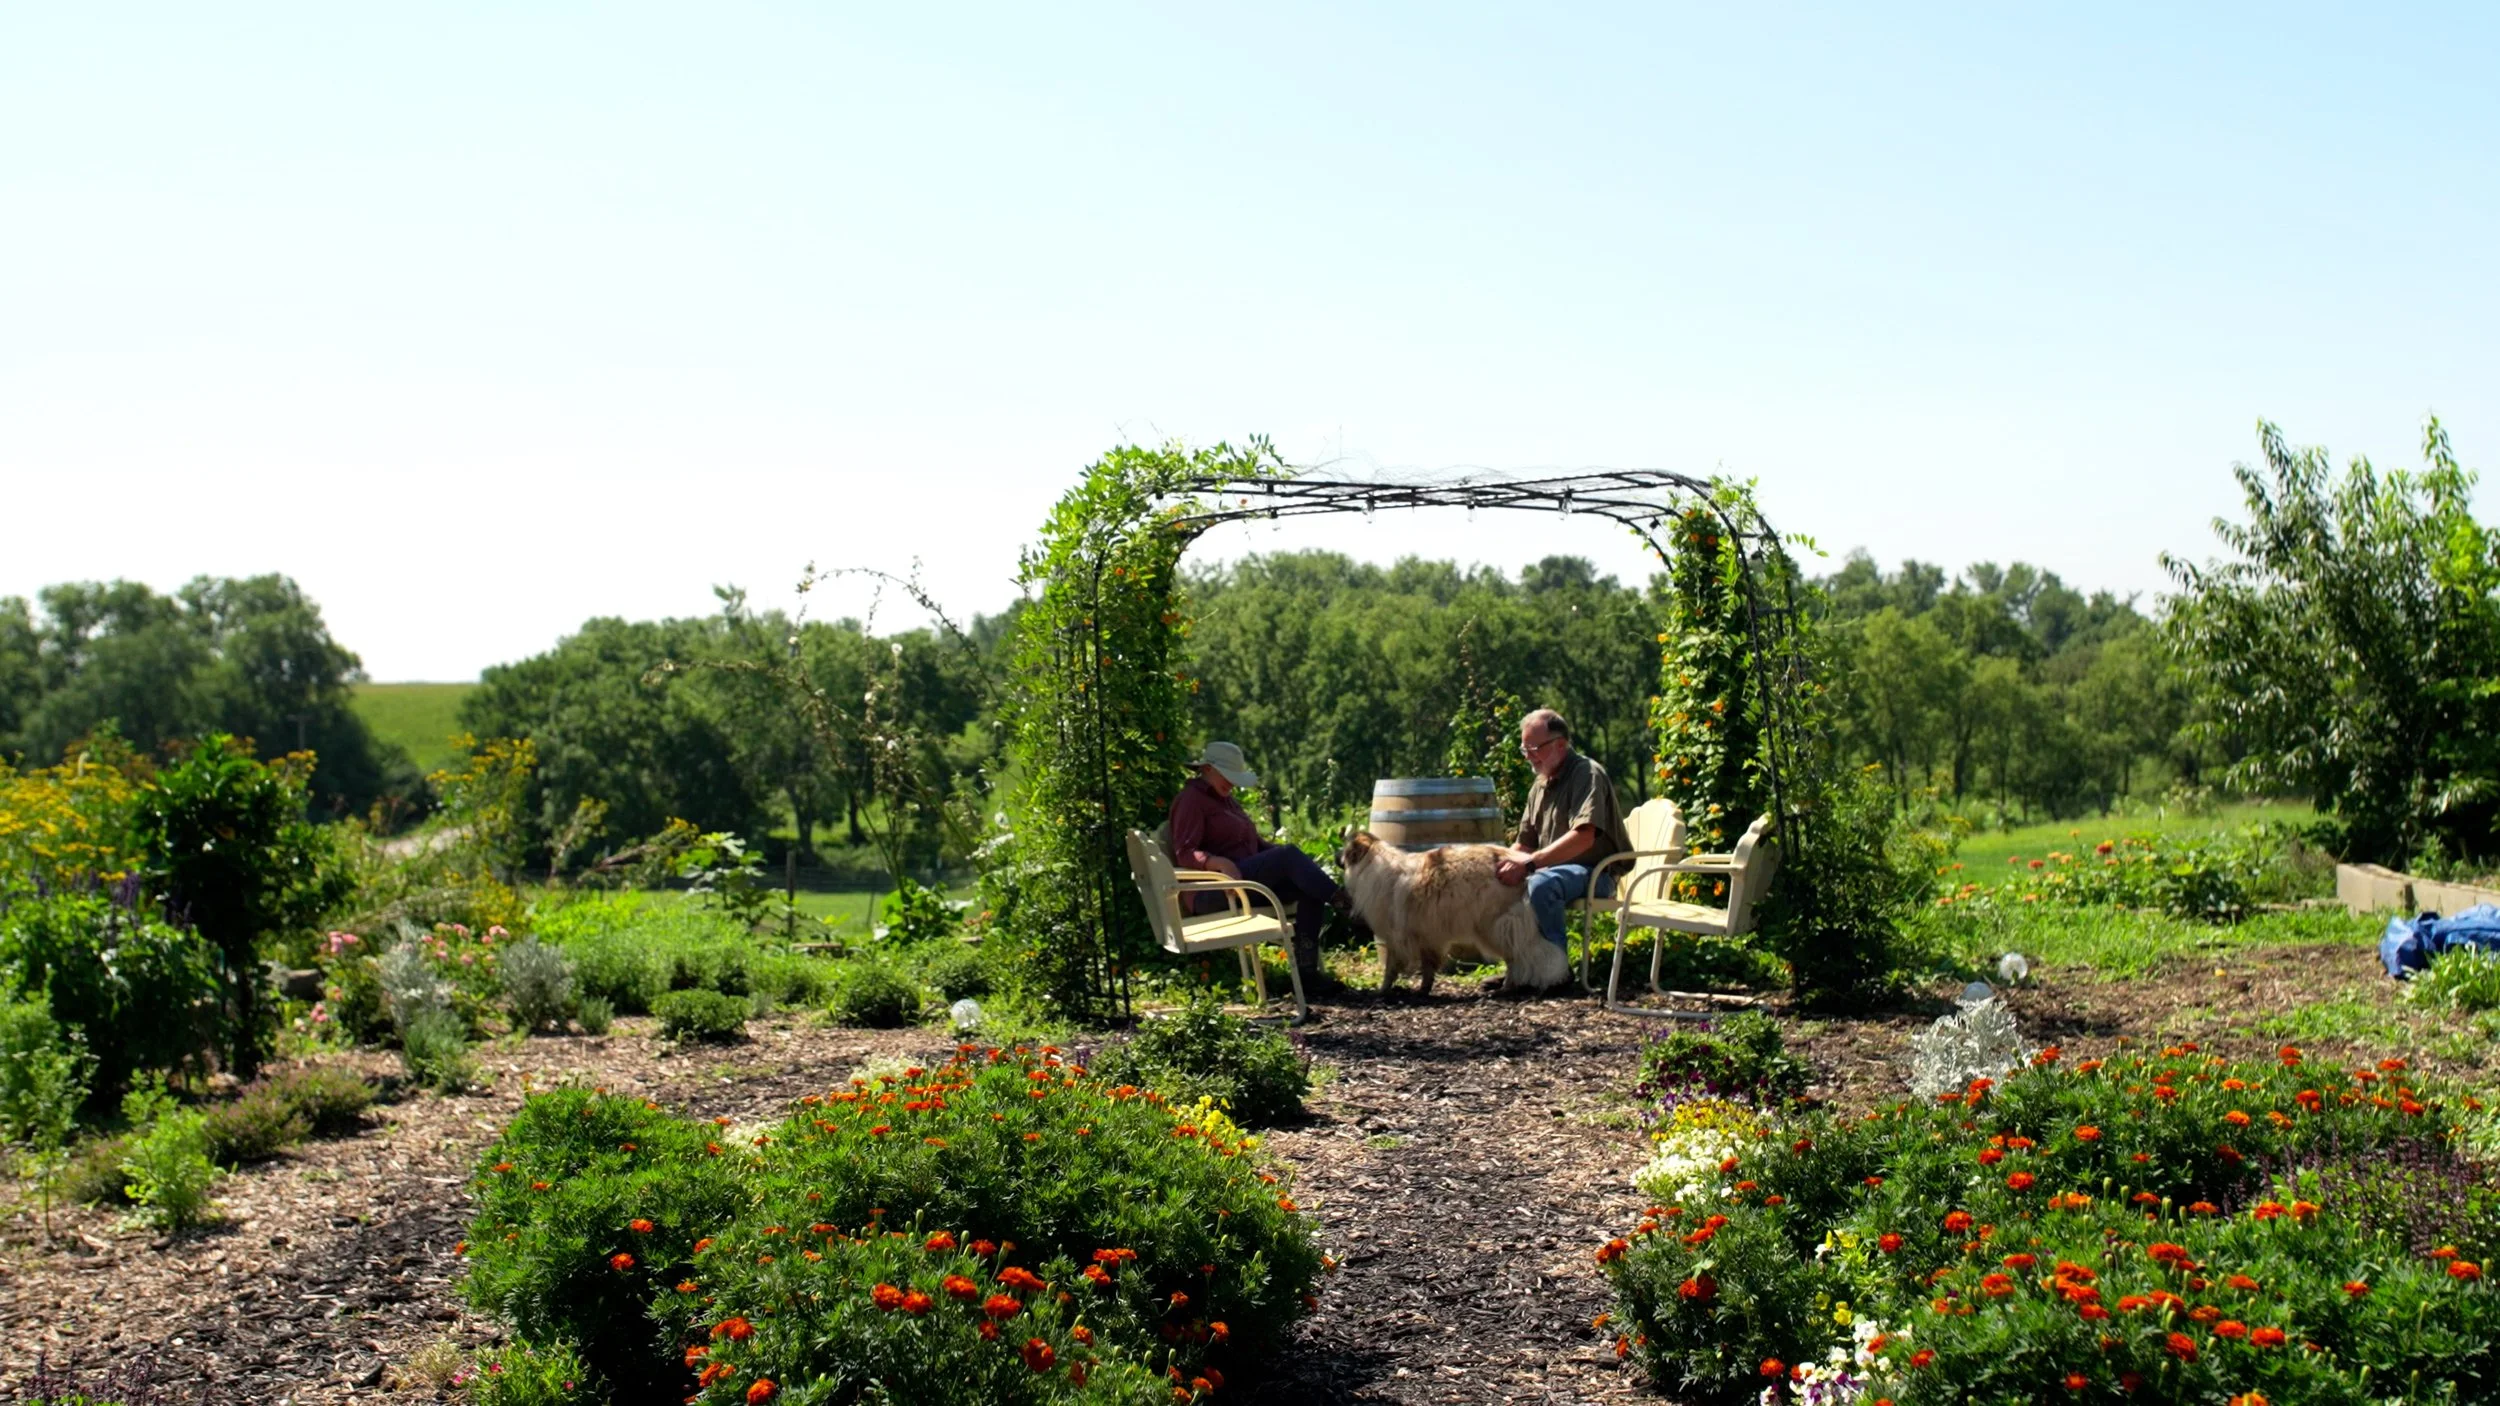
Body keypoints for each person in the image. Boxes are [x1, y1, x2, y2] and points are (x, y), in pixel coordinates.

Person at [1167, 741, 1351, 986]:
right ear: (1207, 769)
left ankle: (1307, 974)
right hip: (1212, 891)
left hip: (1243, 881)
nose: (1232, 783)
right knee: (1288, 855)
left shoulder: (1227, 800)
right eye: (1227, 775)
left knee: (1308, 886)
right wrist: (1219, 863)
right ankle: (1349, 906)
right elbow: (1185, 852)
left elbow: (1256, 843)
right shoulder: (1191, 800)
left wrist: (1296, 863)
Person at [1495, 708, 1629, 954]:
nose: (1528, 757)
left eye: (1534, 748)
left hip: (1596, 873)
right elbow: (1524, 845)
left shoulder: (1587, 774)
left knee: (1541, 885)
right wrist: (1496, 867)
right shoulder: (1539, 785)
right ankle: (1522, 965)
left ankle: (1555, 967)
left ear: (1560, 744)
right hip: (1552, 871)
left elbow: (1584, 837)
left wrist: (1529, 864)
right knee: (1500, 883)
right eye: (1524, 749)